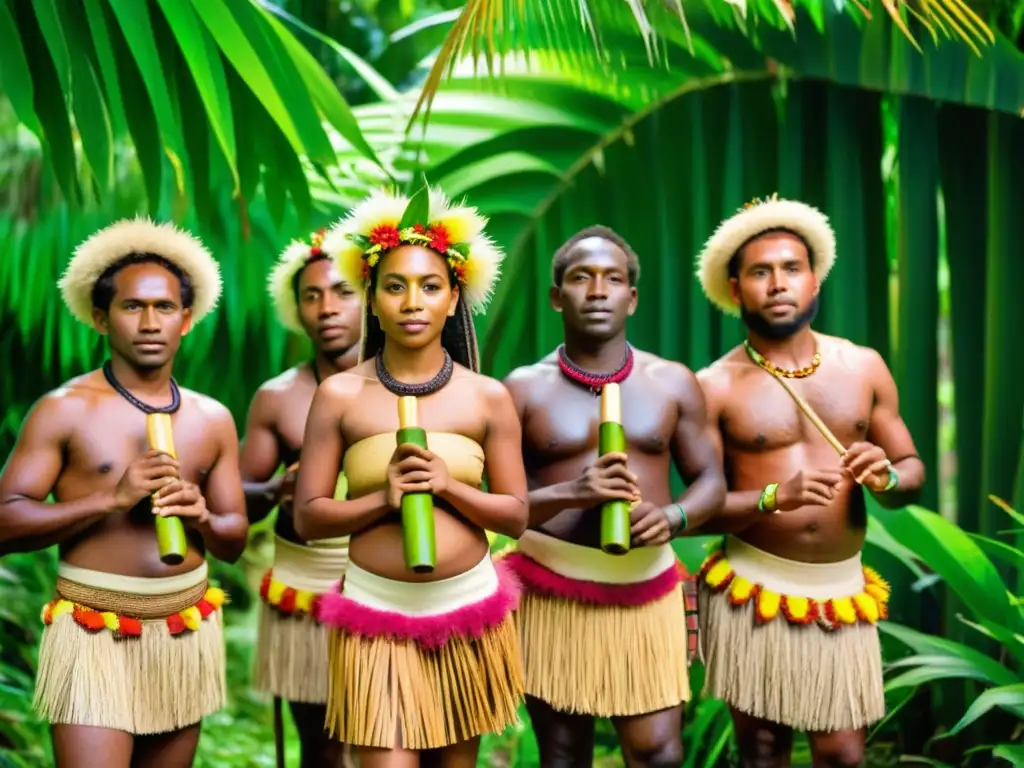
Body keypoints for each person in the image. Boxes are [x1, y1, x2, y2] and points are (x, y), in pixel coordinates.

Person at [293, 186, 529, 767]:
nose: (412, 301)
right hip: (376, 613)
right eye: (395, 287)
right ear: (372, 301)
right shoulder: (339, 395)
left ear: (453, 299)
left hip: (465, 614)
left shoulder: (488, 398)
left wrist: (450, 487)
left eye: (429, 287)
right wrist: (382, 500)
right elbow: (309, 517)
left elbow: (517, 516)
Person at [0, 219, 248, 766]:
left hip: (184, 631)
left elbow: (234, 540)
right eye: (132, 307)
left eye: (164, 308)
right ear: (100, 318)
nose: (150, 322)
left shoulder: (213, 419)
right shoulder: (64, 409)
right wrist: (109, 501)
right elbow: (4, 522)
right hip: (94, 633)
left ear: (187, 320)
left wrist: (202, 515)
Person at [693, 195, 926, 768]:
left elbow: (913, 473)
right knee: (762, 750)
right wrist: (775, 498)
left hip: (840, 591)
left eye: (791, 268)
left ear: (815, 281)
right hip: (752, 585)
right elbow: (701, 506)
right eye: (760, 272)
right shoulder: (712, 386)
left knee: (844, 753)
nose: (778, 283)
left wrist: (887, 475)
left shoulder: (863, 366)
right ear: (735, 287)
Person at [501, 226, 727, 768]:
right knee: (561, 753)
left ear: (632, 296)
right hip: (551, 589)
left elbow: (712, 483)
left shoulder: (672, 382)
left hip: (646, 587)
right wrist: (569, 494)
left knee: (657, 753)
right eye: (581, 278)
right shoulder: (522, 389)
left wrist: (674, 516)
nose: (597, 290)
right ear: (558, 297)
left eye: (613, 279)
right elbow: (496, 504)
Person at [240, 229, 362, 767]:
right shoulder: (279, 397)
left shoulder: (407, 384)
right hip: (305, 588)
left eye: (343, 291)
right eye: (311, 296)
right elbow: (237, 502)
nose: (327, 307)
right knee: (322, 748)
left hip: (387, 582)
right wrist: (275, 489)